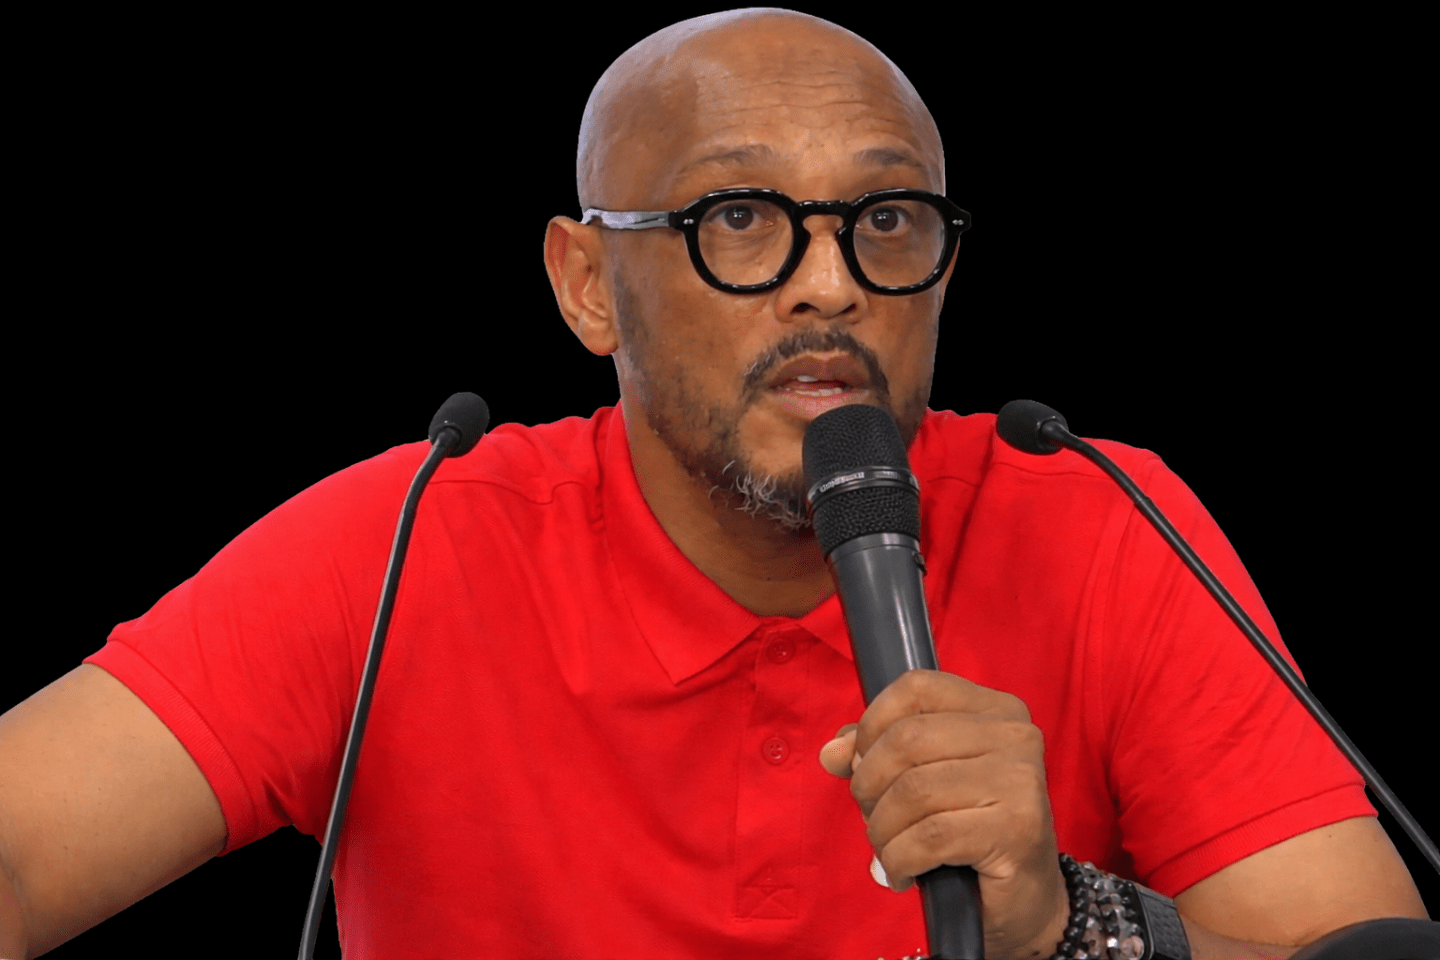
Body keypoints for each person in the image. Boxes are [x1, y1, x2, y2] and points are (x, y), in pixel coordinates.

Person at [0, 9, 1430, 959]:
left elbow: (1350, 945)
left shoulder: (1095, 518)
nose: (831, 284)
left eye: (887, 218)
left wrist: (1072, 926)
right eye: (740, 217)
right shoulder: (408, 538)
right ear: (587, 285)